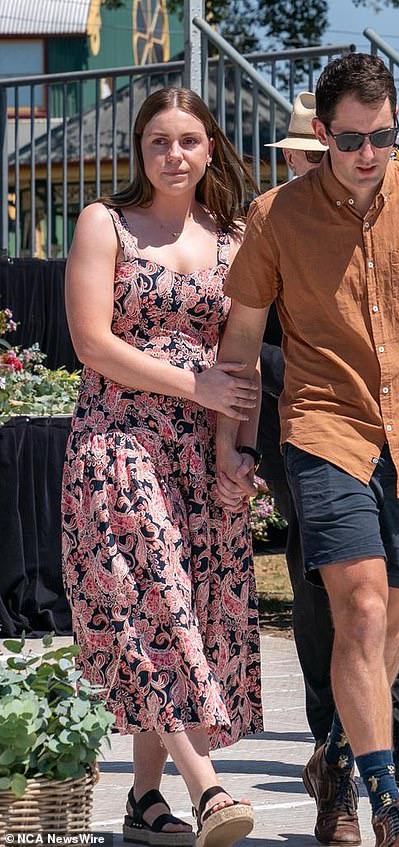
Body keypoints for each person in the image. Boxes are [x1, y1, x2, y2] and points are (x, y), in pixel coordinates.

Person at [215, 53, 399, 847]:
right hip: (325, 431)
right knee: (365, 605)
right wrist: (231, 438)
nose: (369, 154)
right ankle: (386, 802)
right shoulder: (278, 217)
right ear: (322, 134)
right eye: (351, 140)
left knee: (386, 634)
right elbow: (240, 342)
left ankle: (336, 766)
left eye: (382, 136)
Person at [61, 87, 262, 847]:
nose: (173, 154)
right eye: (157, 142)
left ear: (210, 147)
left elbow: (241, 361)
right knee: (154, 598)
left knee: (191, 610)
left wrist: (235, 446)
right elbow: (91, 342)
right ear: (138, 151)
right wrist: (196, 383)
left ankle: (144, 798)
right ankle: (206, 787)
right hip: (116, 441)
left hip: (198, 448)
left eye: (187, 140)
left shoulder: (237, 237)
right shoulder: (103, 223)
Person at [261, 99, 399, 784]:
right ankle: (332, 734)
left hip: (393, 425)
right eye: (314, 148)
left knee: (393, 587)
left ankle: (394, 726)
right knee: (328, 592)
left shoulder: (387, 216)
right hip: (304, 427)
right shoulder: (276, 220)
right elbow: (254, 343)